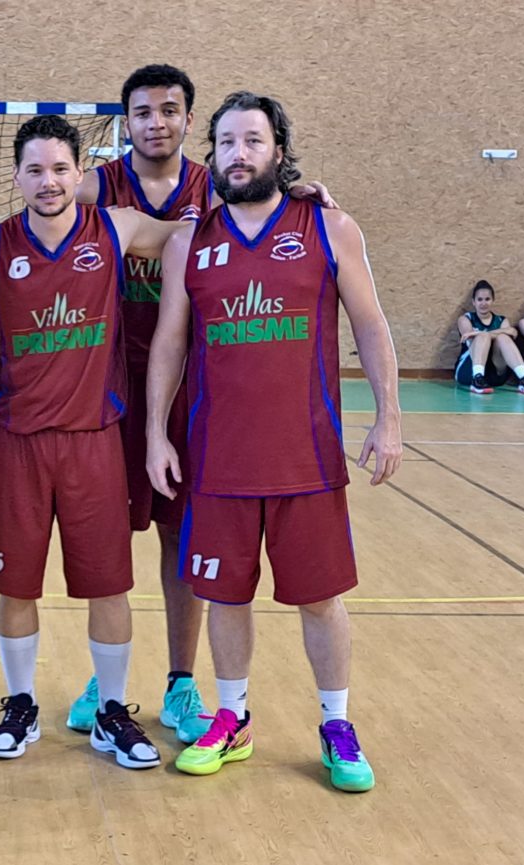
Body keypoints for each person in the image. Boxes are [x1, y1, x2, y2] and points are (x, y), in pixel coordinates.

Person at [64, 65, 335, 740]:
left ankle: (181, 681)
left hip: (190, 388)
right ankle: (108, 678)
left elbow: (267, 208)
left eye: (169, 110)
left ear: (190, 121)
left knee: (180, 537)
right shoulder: (95, 186)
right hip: (105, 382)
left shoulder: (216, 186)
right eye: (143, 111)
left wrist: (297, 193)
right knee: (105, 533)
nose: (156, 121)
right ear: (126, 121)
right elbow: (39, 210)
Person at [145, 91, 402, 793]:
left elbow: (371, 325)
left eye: (253, 140)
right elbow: (169, 344)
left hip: (306, 457)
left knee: (320, 599)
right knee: (226, 597)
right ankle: (232, 717)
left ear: (278, 151)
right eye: (227, 142)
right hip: (217, 459)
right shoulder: (189, 242)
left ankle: (336, 723)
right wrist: (155, 434)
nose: (239, 154)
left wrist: (389, 416)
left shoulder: (328, 225)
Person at [0, 115, 194, 769]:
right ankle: (20, 705)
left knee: (109, 586)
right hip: (17, 440)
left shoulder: (117, 228)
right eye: (35, 170)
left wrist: (294, 201)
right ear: (17, 177)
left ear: (80, 173)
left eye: (60, 168)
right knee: (17, 585)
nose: (48, 181)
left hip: (94, 439)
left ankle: (112, 712)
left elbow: (192, 233)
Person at [455, 280, 524, 394]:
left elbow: (512, 332)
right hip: (468, 371)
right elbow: (468, 336)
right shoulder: (465, 319)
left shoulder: (501, 320)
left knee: (503, 338)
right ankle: (477, 378)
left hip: (495, 373)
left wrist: (480, 333)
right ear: (473, 302)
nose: (484, 303)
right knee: (484, 337)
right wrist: (486, 334)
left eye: (487, 299)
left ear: (493, 300)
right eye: (480, 299)